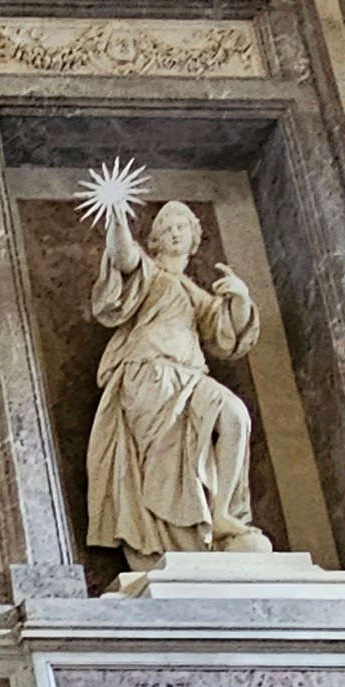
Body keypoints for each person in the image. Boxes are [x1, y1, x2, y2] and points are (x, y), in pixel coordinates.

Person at [78, 165, 270, 571]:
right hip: (150, 376)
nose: (175, 232)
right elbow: (124, 257)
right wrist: (116, 214)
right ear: (156, 238)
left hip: (191, 377)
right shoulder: (151, 274)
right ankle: (172, 536)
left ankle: (222, 514)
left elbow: (227, 335)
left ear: (194, 237)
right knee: (163, 461)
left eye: (182, 226)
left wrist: (239, 298)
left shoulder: (194, 292)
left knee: (235, 414)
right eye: (167, 227)